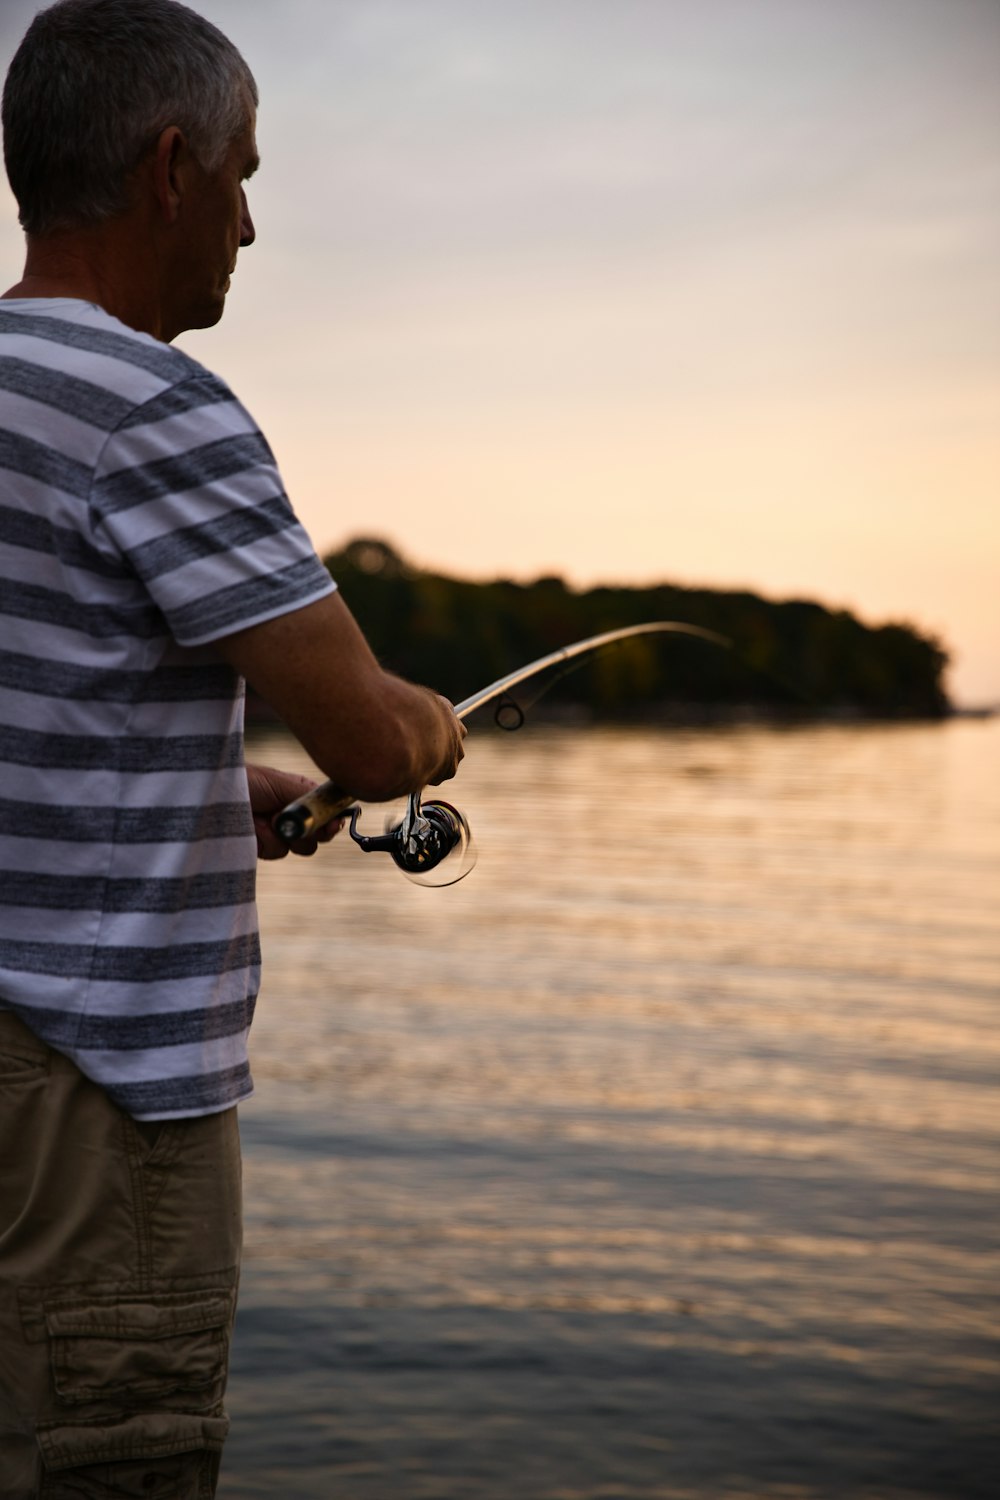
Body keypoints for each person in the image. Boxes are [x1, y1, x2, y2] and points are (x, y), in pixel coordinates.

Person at [0, 1, 466, 1494]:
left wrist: (214, 789)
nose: (252, 230)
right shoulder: (158, 408)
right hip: (97, 1104)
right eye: (247, 177)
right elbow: (371, 740)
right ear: (172, 167)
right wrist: (424, 725)